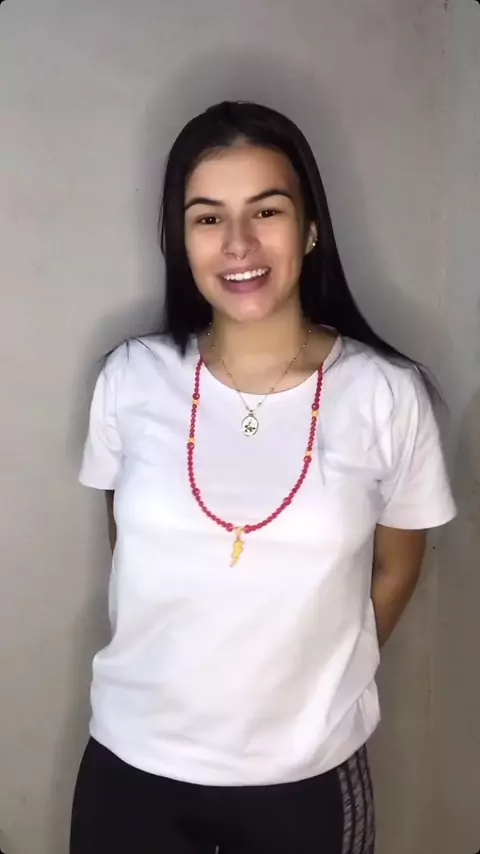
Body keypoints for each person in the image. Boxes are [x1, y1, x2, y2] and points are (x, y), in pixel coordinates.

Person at [70, 101, 456, 854]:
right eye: (208, 218)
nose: (238, 243)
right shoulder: (130, 378)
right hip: (132, 765)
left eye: (267, 210)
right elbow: (131, 547)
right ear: (181, 240)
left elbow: (396, 570)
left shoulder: (386, 394)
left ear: (310, 229)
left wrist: (311, 682)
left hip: (305, 777)